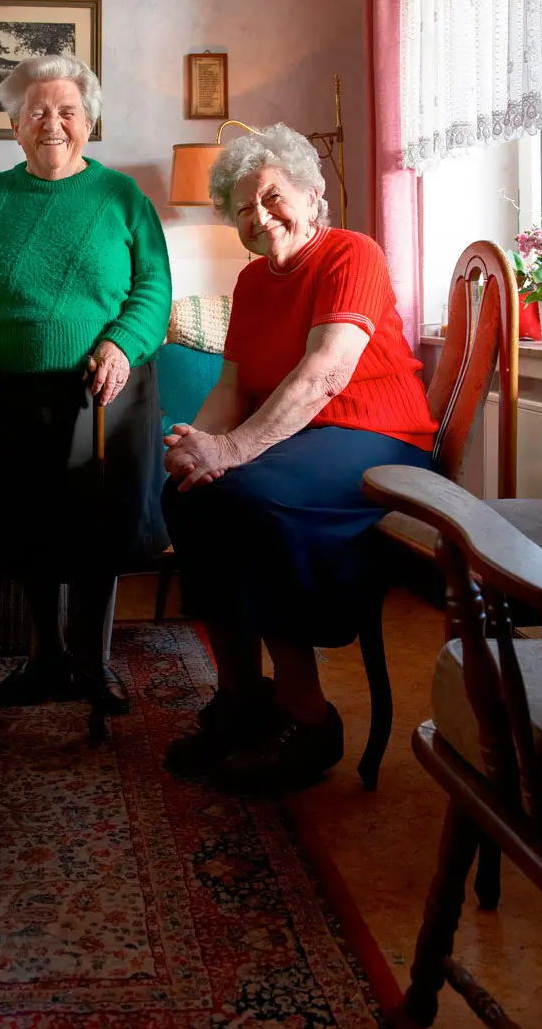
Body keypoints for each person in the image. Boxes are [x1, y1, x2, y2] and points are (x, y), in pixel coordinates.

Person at [161, 123, 436, 788]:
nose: (260, 217)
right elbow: (231, 387)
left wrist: (233, 449)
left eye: (273, 197)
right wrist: (194, 446)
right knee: (190, 493)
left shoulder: (351, 254)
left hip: (384, 440)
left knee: (251, 498)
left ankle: (307, 718)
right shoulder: (253, 284)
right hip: (302, 442)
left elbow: (326, 374)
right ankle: (240, 697)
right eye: (243, 210)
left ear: (313, 197)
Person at [0, 53, 172, 714]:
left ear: (89, 122)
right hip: (16, 387)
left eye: (67, 111)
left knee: (100, 530)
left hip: (106, 389)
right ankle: (44, 660)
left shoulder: (123, 197)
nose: (53, 123)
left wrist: (121, 345)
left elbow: (154, 286)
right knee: (29, 529)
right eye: (37, 111)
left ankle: (93, 666)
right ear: (14, 126)